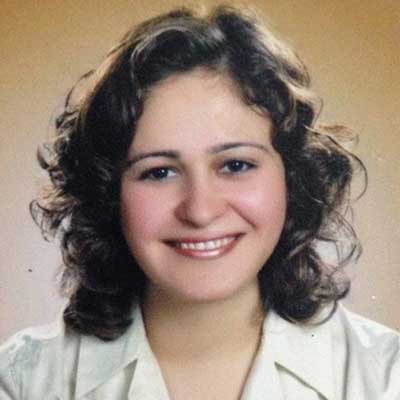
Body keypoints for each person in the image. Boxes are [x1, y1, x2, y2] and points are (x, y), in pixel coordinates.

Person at [0, 5, 399, 400]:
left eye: (236, 165)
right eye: (159, 172)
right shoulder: (22, 382)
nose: (200, 210)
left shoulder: (384, 378)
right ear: (109, 192)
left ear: (292, 177)